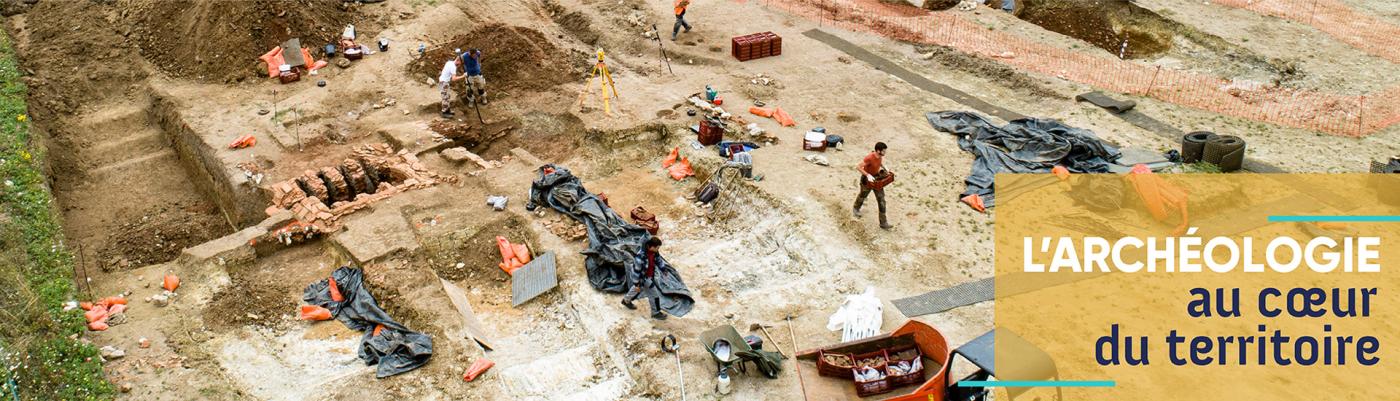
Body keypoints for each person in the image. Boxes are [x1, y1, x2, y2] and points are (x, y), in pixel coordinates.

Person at [623, 237, 670, 320]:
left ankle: (626, 300)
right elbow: (636, 272)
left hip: (648, 276)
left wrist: (663, 269)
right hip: (643, 278)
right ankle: (656, 313)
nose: (658, 249)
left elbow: (658, 260)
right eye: (657, 247)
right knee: (654, 295)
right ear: (651, 247)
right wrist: (637, 283)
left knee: (636, 289)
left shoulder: (654, 252)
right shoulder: (640, 257)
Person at [853, 142, 892, 230]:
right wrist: (867, 175)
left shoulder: (880, 156)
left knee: (881, 200)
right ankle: (856, 208)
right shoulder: (869, 158)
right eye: (883, 151)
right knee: (863, 195)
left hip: (876, 179)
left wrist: (884, 167)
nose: (885, 152)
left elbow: (879, 162)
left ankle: (883, 223)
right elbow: (858, 167)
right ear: (878, 151)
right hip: (867, 180)